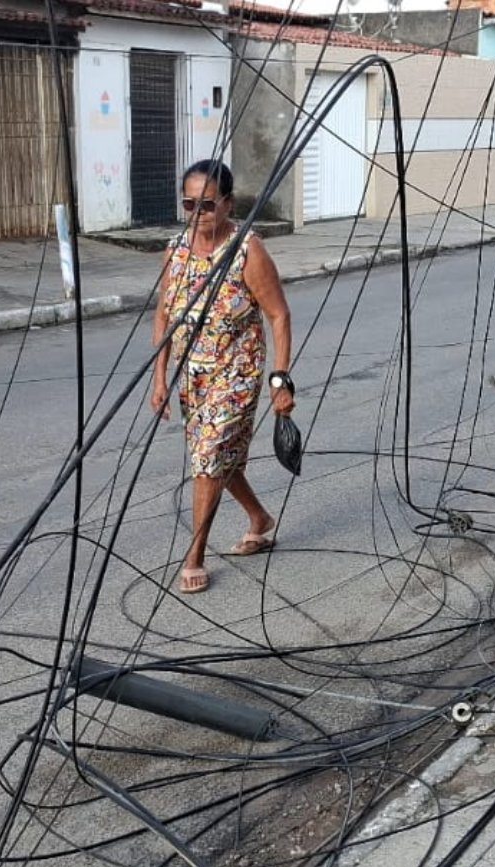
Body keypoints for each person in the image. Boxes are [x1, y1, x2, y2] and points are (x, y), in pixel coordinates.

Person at [150, 159, 296, 596]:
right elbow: (164, 315)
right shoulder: (175, 249)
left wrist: (280, 381)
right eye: (189, 204)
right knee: (216, 459)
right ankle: (259, 519)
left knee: (209, 457)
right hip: (193, 377)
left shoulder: (248, 251)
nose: (198, 215)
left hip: (237, 373)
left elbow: (279, 316)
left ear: (229, 204)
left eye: (208, 205)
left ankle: (194, 555)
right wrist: (160, 379)